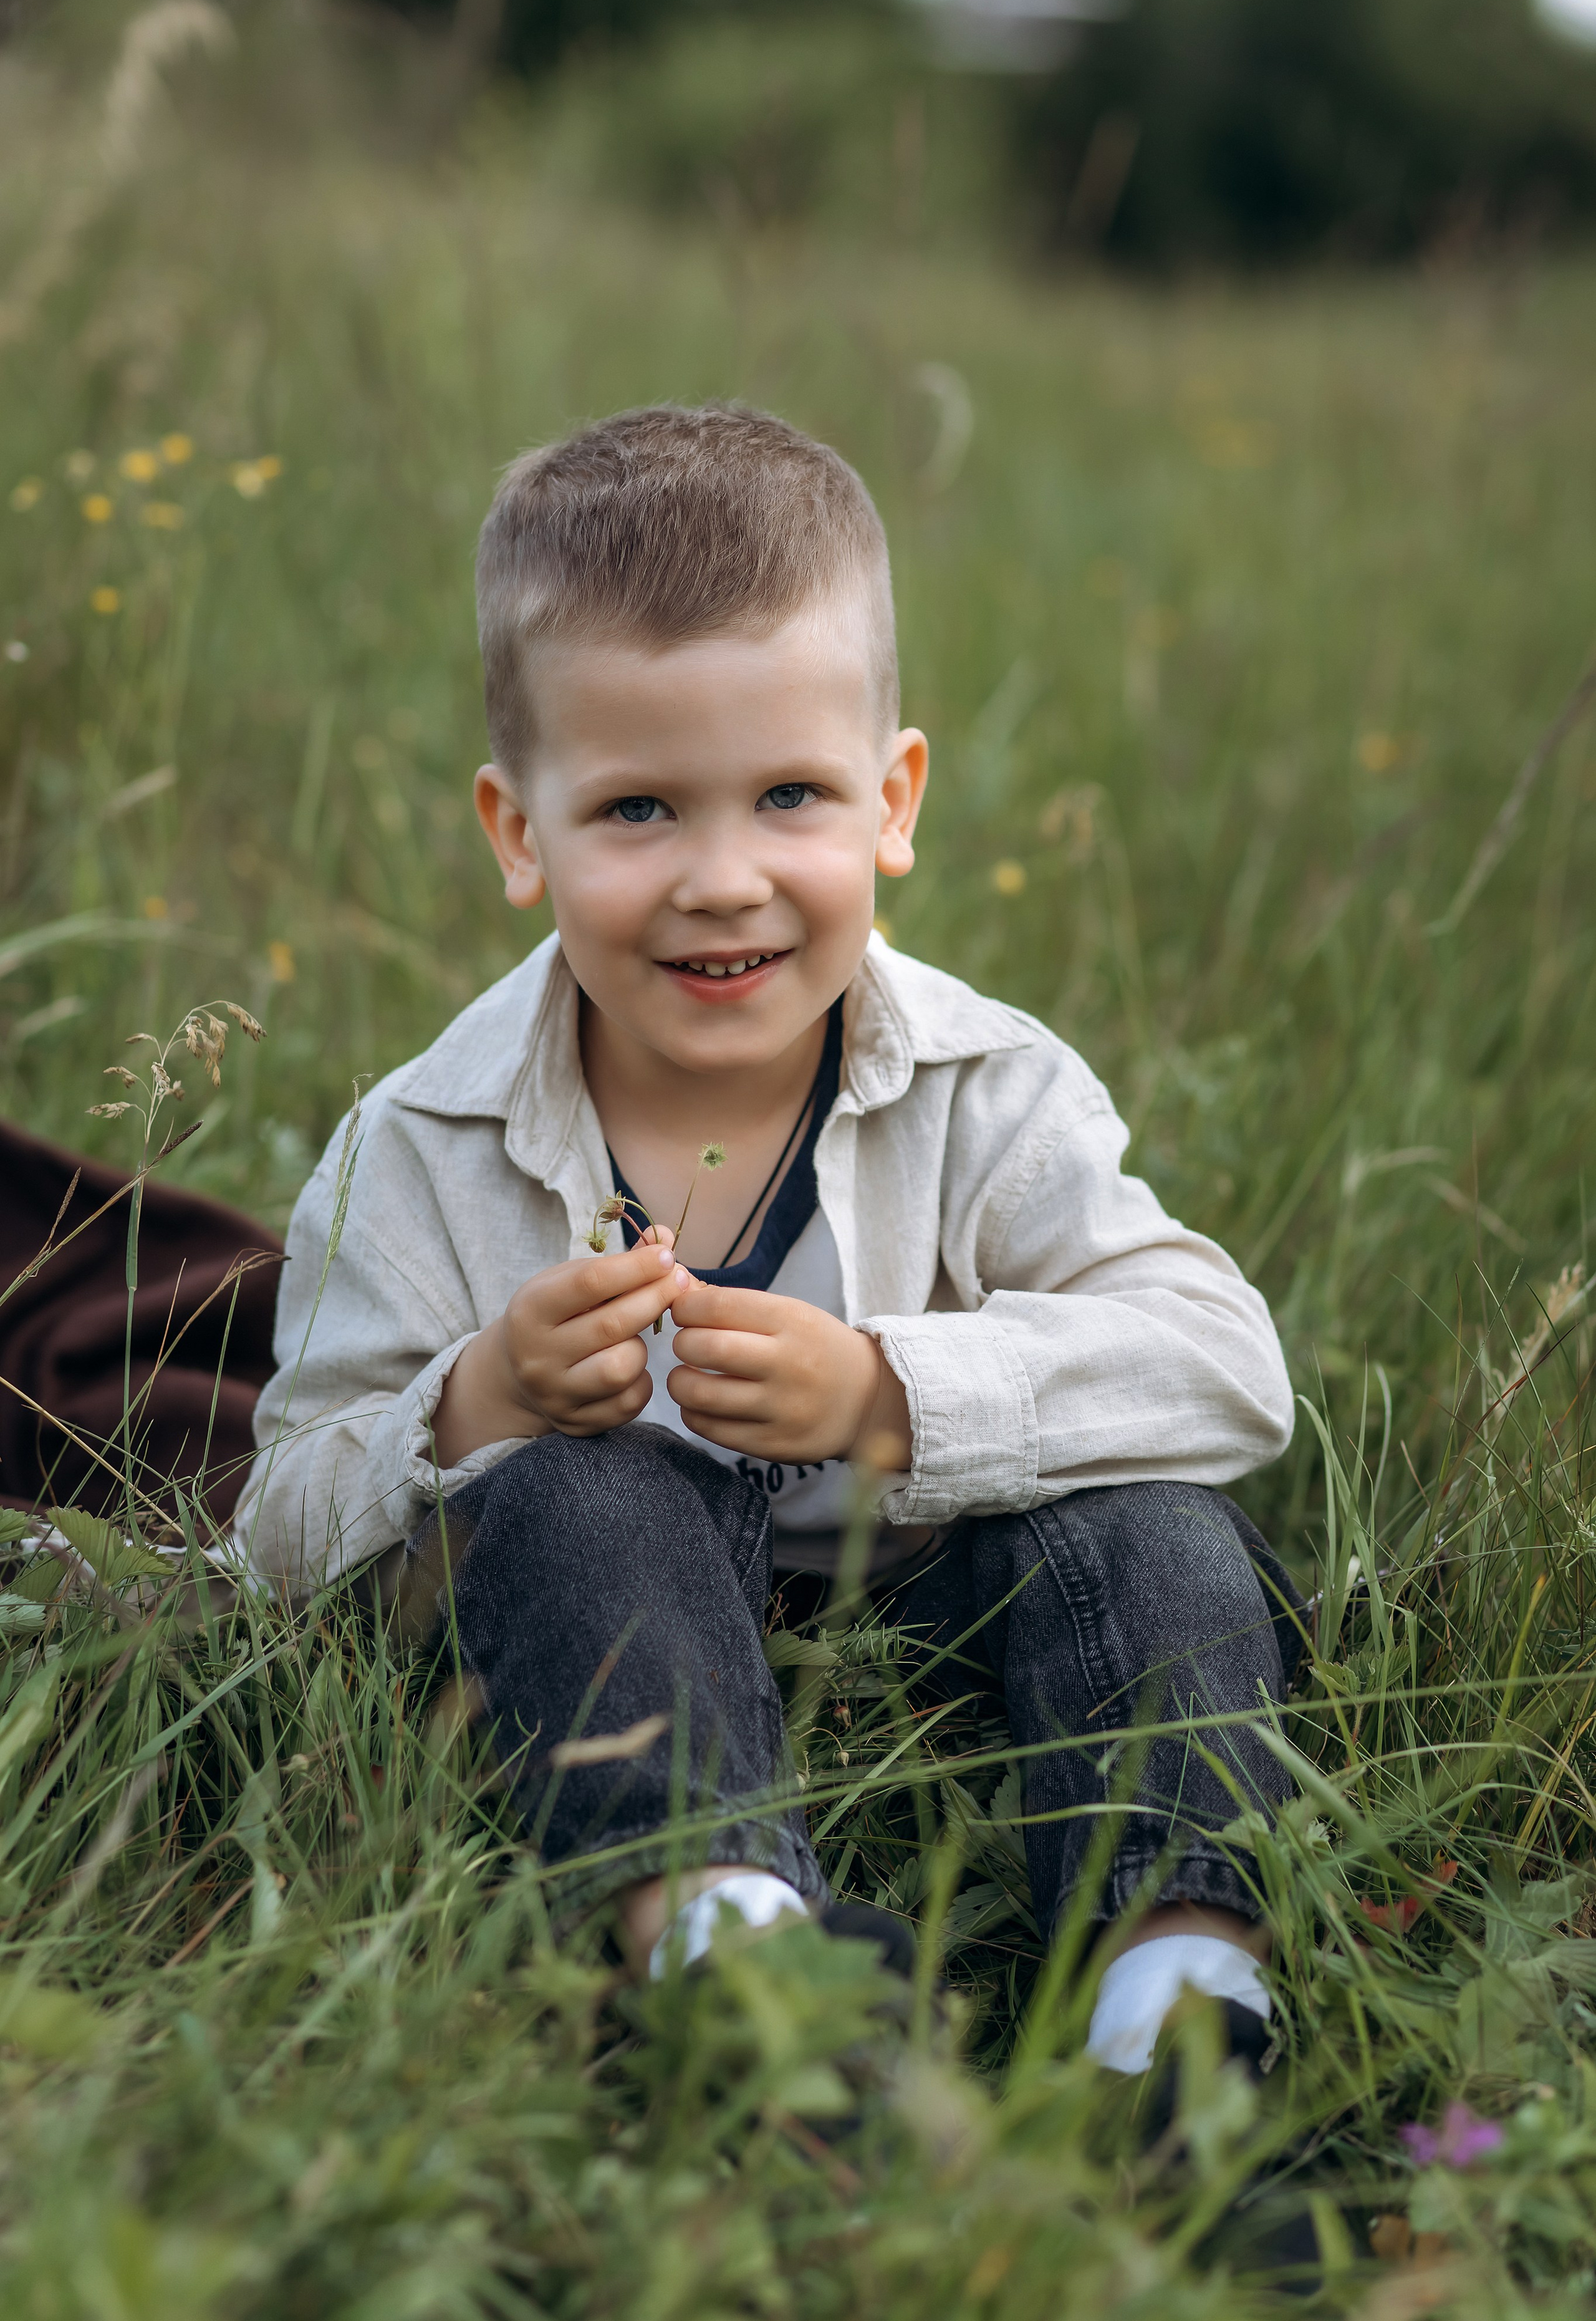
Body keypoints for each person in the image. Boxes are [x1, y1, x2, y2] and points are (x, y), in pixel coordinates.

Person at [234, 403, 1300, 2073]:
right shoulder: (421, 1143)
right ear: (522, 832)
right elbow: (276, 1534)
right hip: (617, 1636)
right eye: (641, 810)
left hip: (954, 1637)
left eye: (791, 795)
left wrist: (892, 1395)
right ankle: (742, 1968)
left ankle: (1177, 2005)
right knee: (577, 1489)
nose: (723, 878)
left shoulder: (979, 1086)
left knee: (1165, 1537)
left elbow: (1229, 1366)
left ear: (894, 798)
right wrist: (478, 1400)